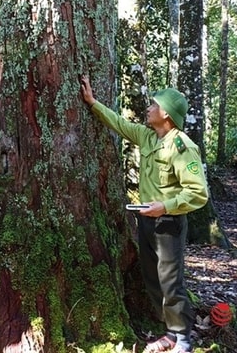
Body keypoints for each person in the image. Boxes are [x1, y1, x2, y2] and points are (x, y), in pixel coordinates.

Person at [80, 76, 208, 353]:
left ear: (166, 114)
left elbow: (198, 193)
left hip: (169, 223)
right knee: (152, 279)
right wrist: (92, 103)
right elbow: (120, 124)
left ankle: (183, 339)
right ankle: (170, 333)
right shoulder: (148, 136)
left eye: (153, 105)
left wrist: (164, 206)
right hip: (146, 221)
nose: (148, 108)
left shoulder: (182, 146)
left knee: (171, 283)